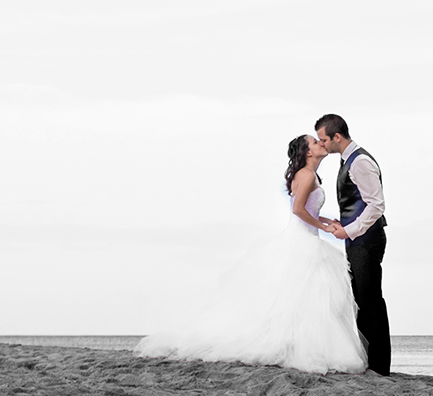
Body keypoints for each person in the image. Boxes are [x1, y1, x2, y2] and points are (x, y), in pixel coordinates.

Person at [135, 134, 366, 373]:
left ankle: (297, 343)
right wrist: (324, 228)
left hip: (305, 238)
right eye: (315, 142)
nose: (321, 143)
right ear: (307, 152)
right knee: (302, 296)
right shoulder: (306, 175)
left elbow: (308, 210)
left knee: (300, 298)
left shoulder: (310, 175)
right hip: (301, 241)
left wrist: (329, 221)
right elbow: (298, 210)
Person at [311, 113, 390, 375]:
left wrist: (350, 230)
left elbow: (376, 205)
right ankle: (370, 362)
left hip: (366, 240)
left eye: (323, 139)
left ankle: (378, 367)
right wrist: (342, 224)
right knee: (361, 298)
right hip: (358, 237)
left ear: (337, 136)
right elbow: (356, 202)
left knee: (370, 301)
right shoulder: (348, 160)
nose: (321, 144)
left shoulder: (360, 162)